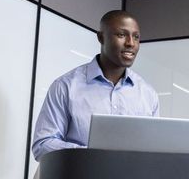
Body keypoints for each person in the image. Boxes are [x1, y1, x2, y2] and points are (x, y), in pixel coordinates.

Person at [32, 10, 159, 161]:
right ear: (101, 37)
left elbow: (154, 151)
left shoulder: (148, 94)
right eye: (121, 35)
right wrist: (93, 154)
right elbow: (43, 145)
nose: (130, 43)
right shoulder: (65, 86)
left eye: (136, 37)